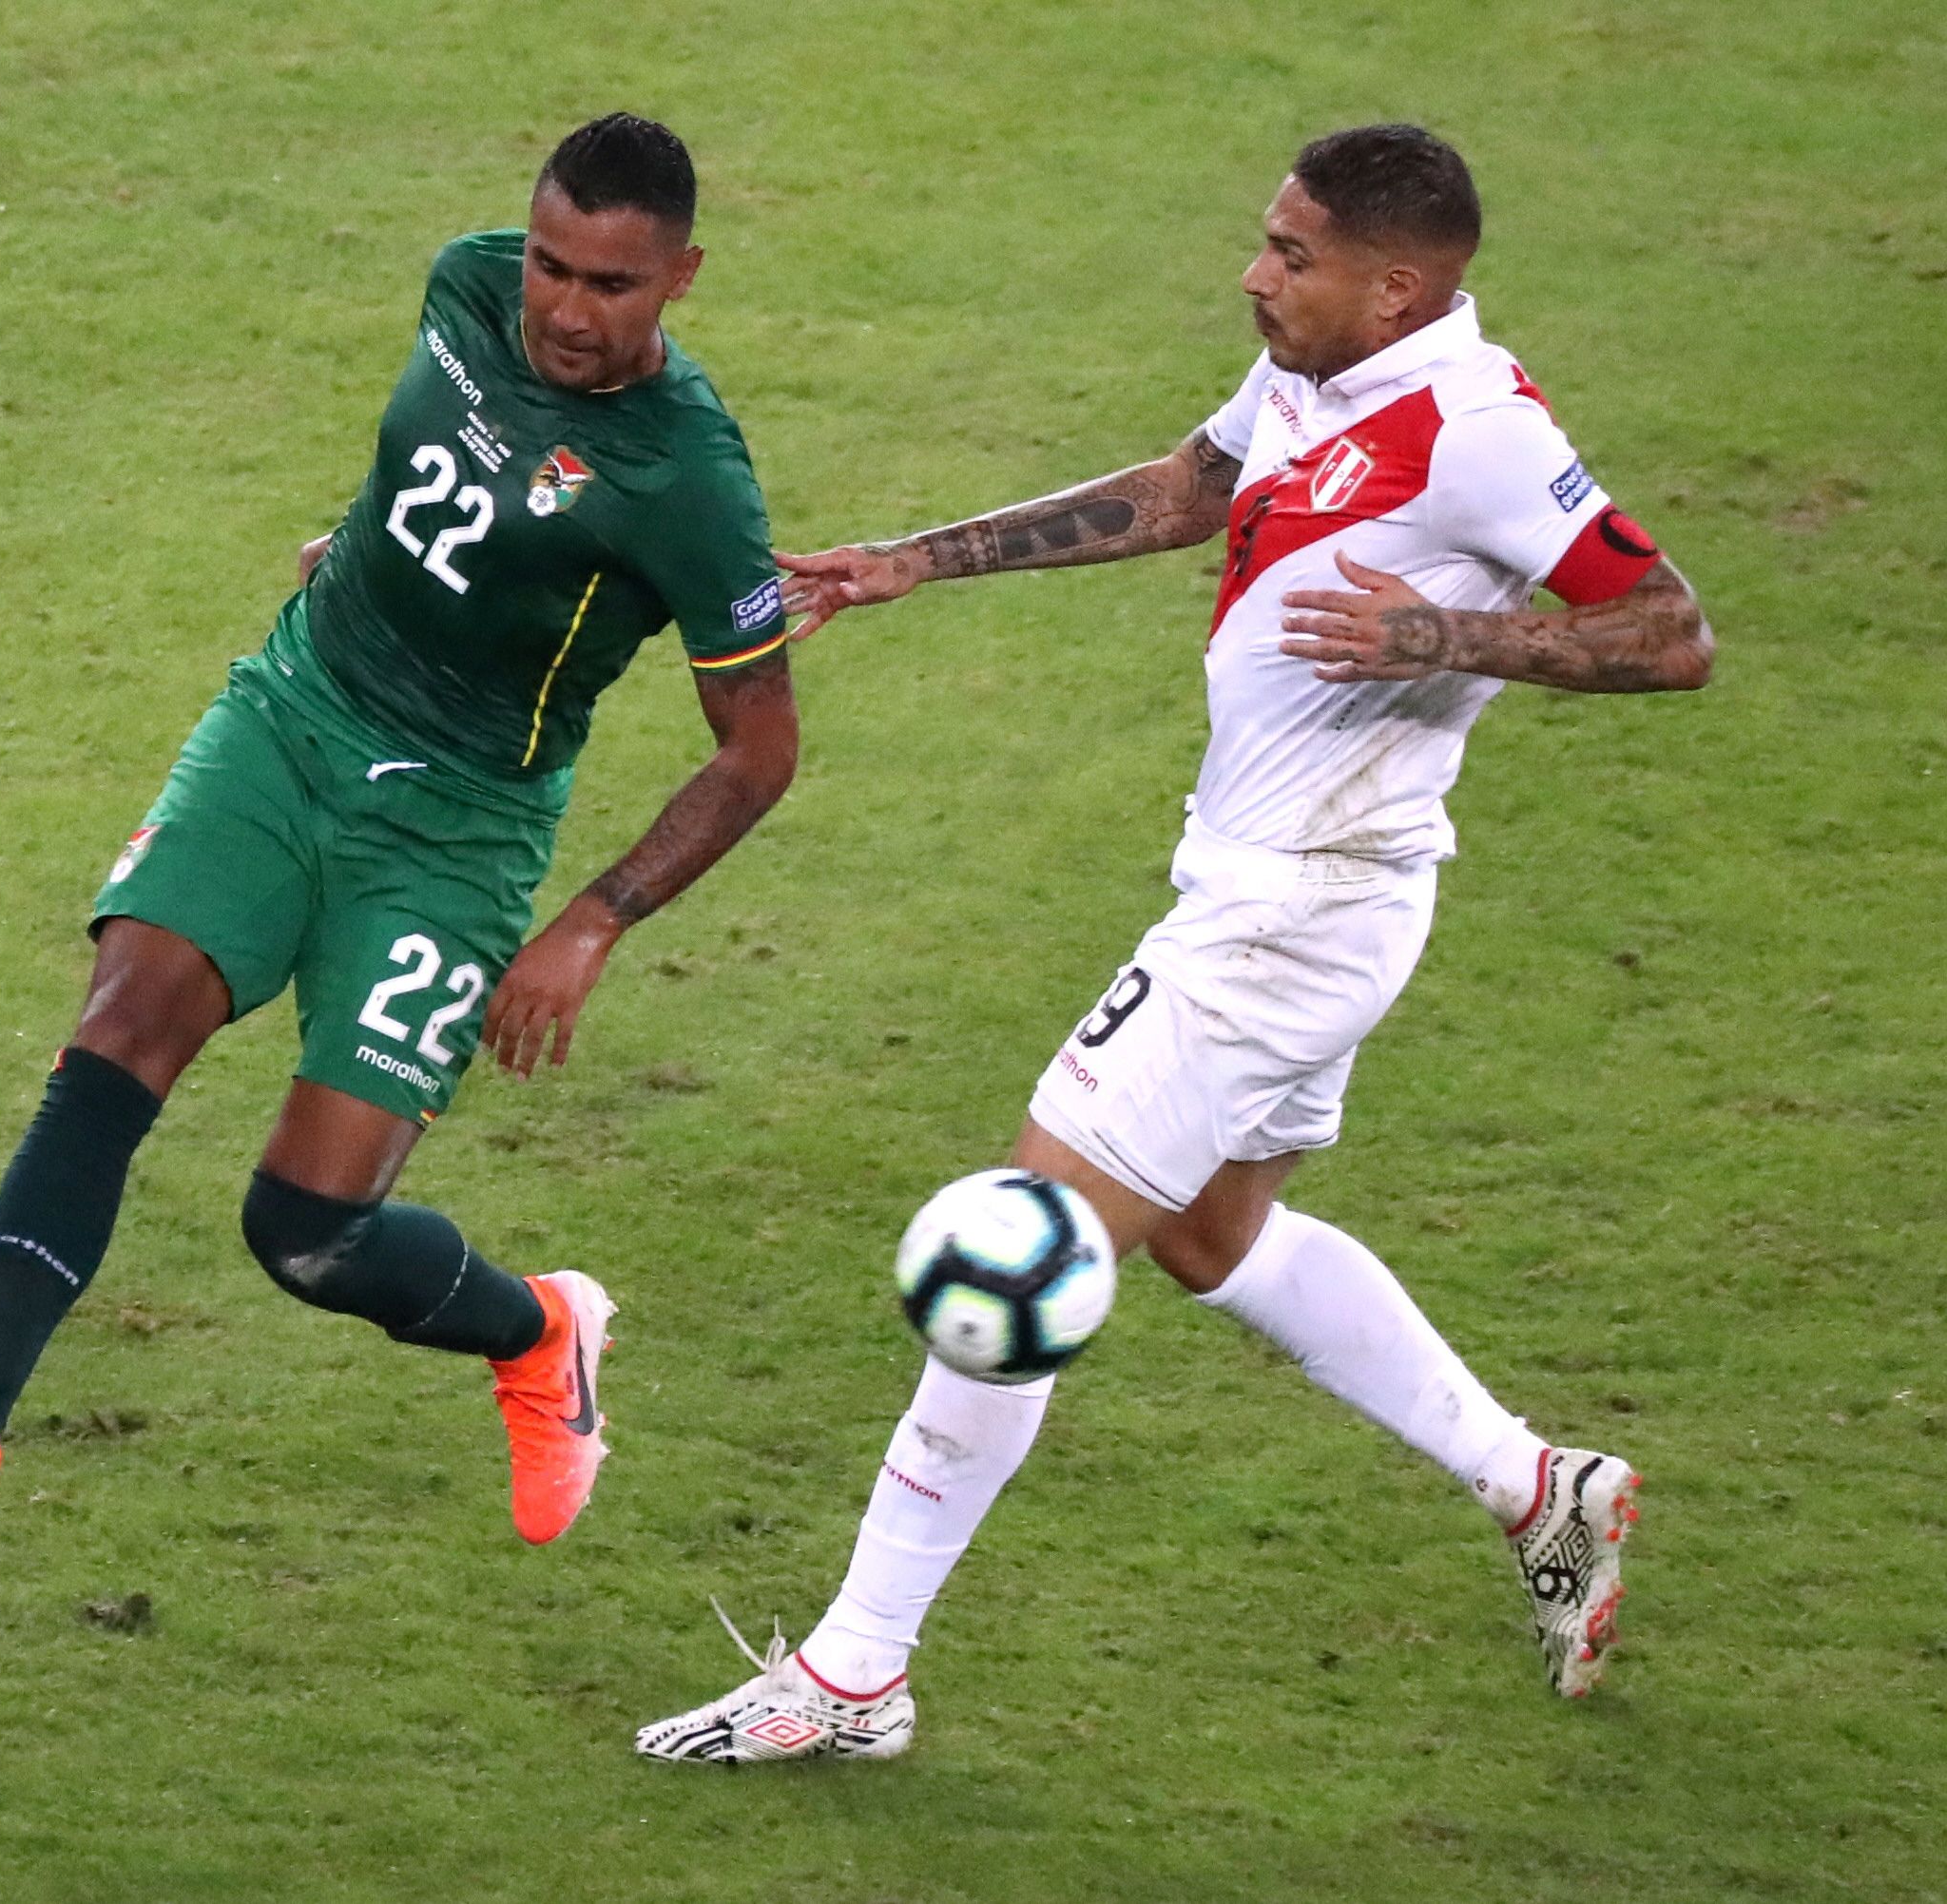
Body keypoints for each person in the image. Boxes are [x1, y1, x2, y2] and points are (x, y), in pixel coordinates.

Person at [636, 123, 1712, 1763]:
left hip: (1297, 913)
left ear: (1395, 288)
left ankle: (854, 1675)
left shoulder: (1477, 431)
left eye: (1292, 255)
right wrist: (918, 560)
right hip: (1283, 892)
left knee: (1023, 1251)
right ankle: (1536, 1486)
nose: (1255, 274)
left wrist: (1443, 631)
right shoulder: (1312, 371)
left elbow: (1671, 633)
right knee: (1212, 1237)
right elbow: (1187, 487)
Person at [0, 113, 800, 1568]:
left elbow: (759, 751)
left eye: (611, 284)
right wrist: (359, 543)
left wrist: (591, 921)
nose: (564, 308)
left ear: (682, 276)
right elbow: (439, 466)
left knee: (307, 1233)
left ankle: (541, 1334)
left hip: (456, 825)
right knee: (121, 1028)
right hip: (295, 717)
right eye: (551, 264)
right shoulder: (465, 283)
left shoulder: (690, 482)